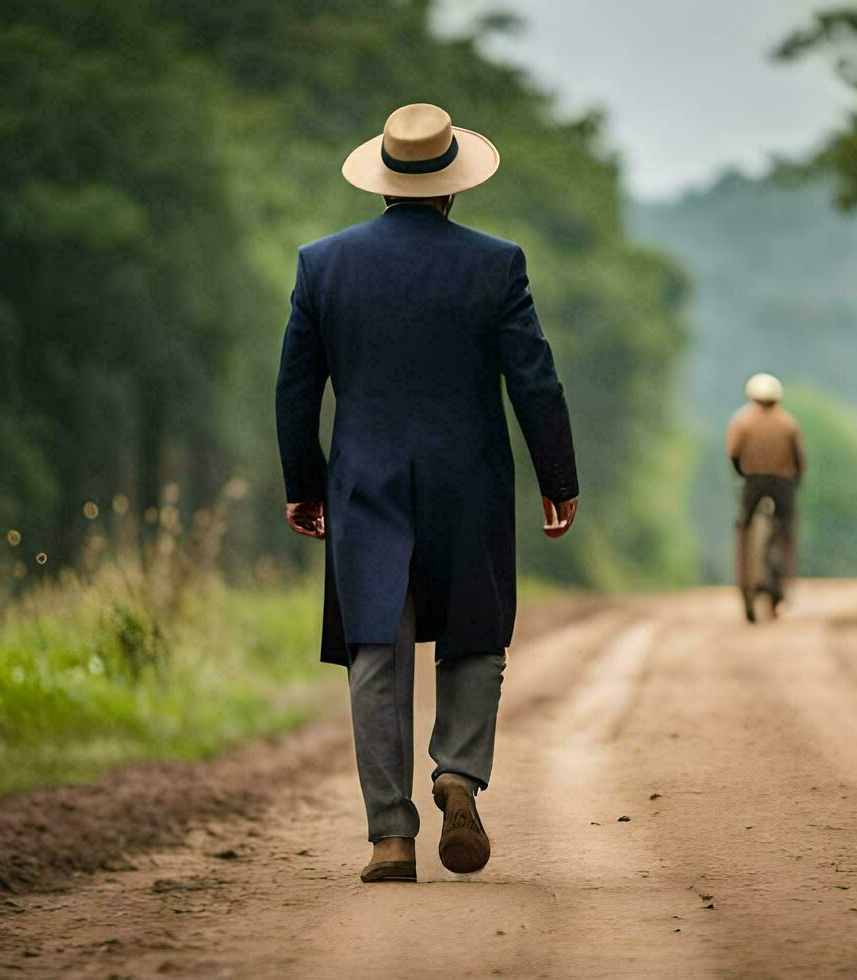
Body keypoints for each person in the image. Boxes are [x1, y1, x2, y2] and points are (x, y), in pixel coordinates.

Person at [275, 103, 579, 883]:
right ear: (453, 187)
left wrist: (303, 487)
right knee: (475, 638)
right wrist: (559, 480)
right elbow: (535, 380)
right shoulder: (497, 262)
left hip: (365, 484)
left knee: (375, 648)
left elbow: (295, 391)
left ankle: (389, 836)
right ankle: (457, 774)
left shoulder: (322, 264)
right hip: (470, 484)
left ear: (381, 181)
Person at [725, 373, 805, 622]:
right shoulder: (788, 423)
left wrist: (743, 473)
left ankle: (744, 577)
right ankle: (785, 579)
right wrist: (795, 481)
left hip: (753, 482)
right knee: (786, 530)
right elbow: (799, 459)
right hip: (783, 483)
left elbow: (734, 454)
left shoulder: (742, 421)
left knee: (744, 526)